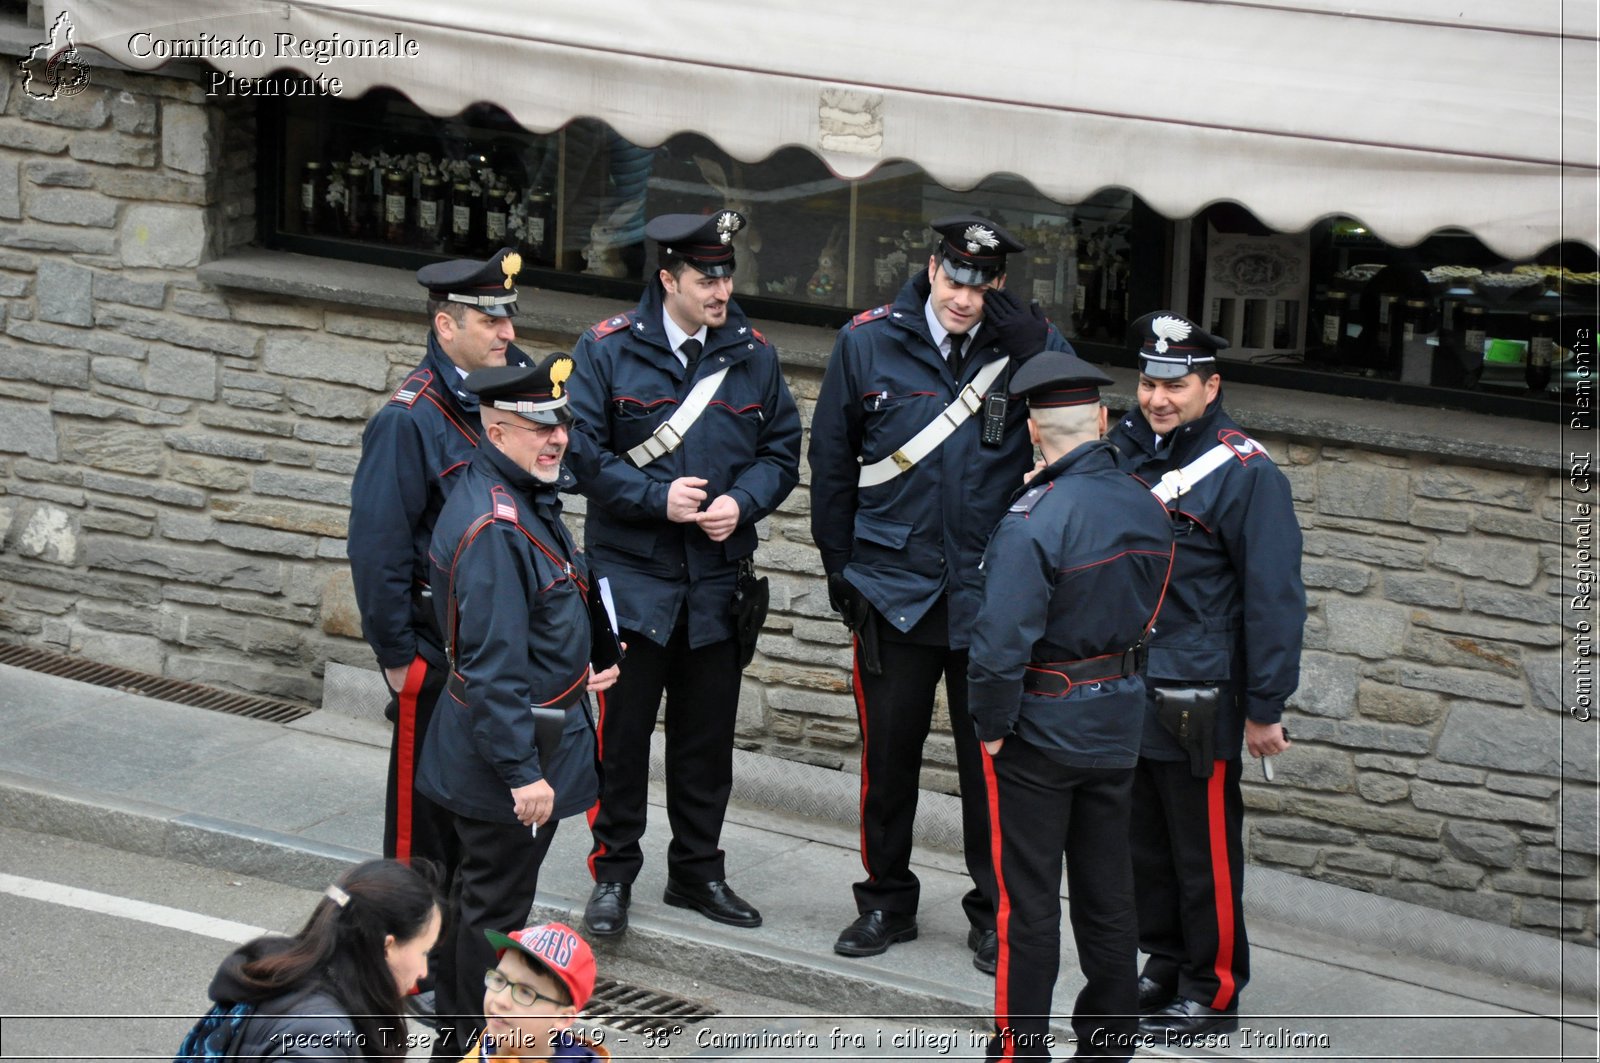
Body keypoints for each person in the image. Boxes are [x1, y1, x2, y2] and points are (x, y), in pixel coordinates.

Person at [807, 215, 1073, 970]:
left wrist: (1037, 348)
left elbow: (1082, 420)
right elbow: (831, 459)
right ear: (932, 267)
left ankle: (994, 913)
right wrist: (838, 564)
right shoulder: (868, 341)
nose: (963, 297)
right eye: (954, 277)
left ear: (999, 286)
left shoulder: (1020, 344)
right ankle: (885, 900)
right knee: (887, 765)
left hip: (989, 597)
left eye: (980, 283)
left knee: (991, 768)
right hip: (892, 590)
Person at [567, 210, 801, 939]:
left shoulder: (752, 354)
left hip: (715, 587)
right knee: (623, 741)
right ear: (667, 279)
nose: (722, 289)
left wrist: (743, 501)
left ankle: (697, 871)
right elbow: (580, 456)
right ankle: (612, 876)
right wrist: (655, 498)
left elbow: (782, 449)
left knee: (706, 744)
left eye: (727, 274)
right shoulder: (605, 350)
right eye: (707, 277)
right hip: (632, 585)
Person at [967, 352, 1174, 1063]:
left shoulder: (1032, 519)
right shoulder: (1145, 502)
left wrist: (991, 726)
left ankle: (1019, 1053)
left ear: (1031, 430)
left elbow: (998, 646)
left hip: (1041, 730)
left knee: (1026, 906)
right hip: (1117, 721)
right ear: (1104, 421)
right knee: (1108, 897)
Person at [1104, 312, 1305, 1039]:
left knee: (1203, 849)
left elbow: (1274, 596)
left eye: (1177, 385)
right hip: (1128, 680)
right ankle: (1164, 961)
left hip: (1202, 689)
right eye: (1150, 381)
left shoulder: (1246, 470)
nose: (1159, 397)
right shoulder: (1123, 449)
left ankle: (1213, 989)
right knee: (1142, 841)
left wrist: (1266, 704)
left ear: (1211, 385)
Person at [414, 358, 616, 1058]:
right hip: (504, 757)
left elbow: (537, 618)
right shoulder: (499, 524)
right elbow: (495, 666)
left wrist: (577, 659)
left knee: (473, 904)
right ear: (496, 427)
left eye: (561, 422)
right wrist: (522, 773)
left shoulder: (518, 493)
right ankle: (470, 1047)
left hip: (506, 739)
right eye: (539, 426)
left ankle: (460, 1038)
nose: (556, 437)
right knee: (489, 914)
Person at [348, 247, 533, 867]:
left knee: (481, 818)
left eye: (509, 318)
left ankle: (457, 952)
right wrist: (399, 657)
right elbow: (378, 549)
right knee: (421, 832)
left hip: (497, 647)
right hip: (438, 651)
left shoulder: (513, 386)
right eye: (492, 322)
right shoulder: (410, 420)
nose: (509, 332)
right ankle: (404, 951)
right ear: (446, 327)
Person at [195, 858, 442, 1060]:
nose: (423, 971)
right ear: (387, 946)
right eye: (424, 952)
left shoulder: (283, 968)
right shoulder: (318, 1040)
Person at [459, 922, 610, 1062]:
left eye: (525, 992)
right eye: (499, 980)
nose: (500, 1000)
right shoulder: (478, 1055)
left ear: (563, 1018)